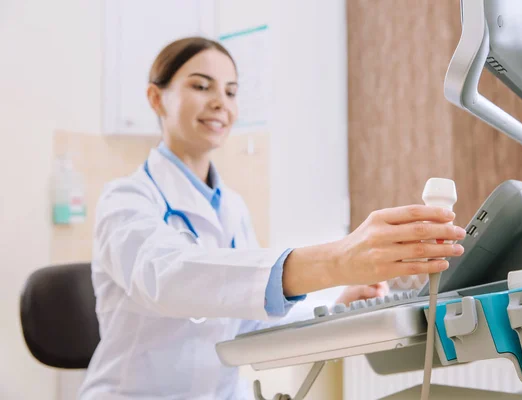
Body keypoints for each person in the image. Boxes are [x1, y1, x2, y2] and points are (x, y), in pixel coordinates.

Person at [78, 36, 466, 400]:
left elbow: (251, 319)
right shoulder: (126, 200)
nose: (220, 102)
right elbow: (168, 278)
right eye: (201, 86)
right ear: (156, 98)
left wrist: (335, 305)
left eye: (231, 91)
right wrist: (337, 260)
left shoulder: (231, 207)